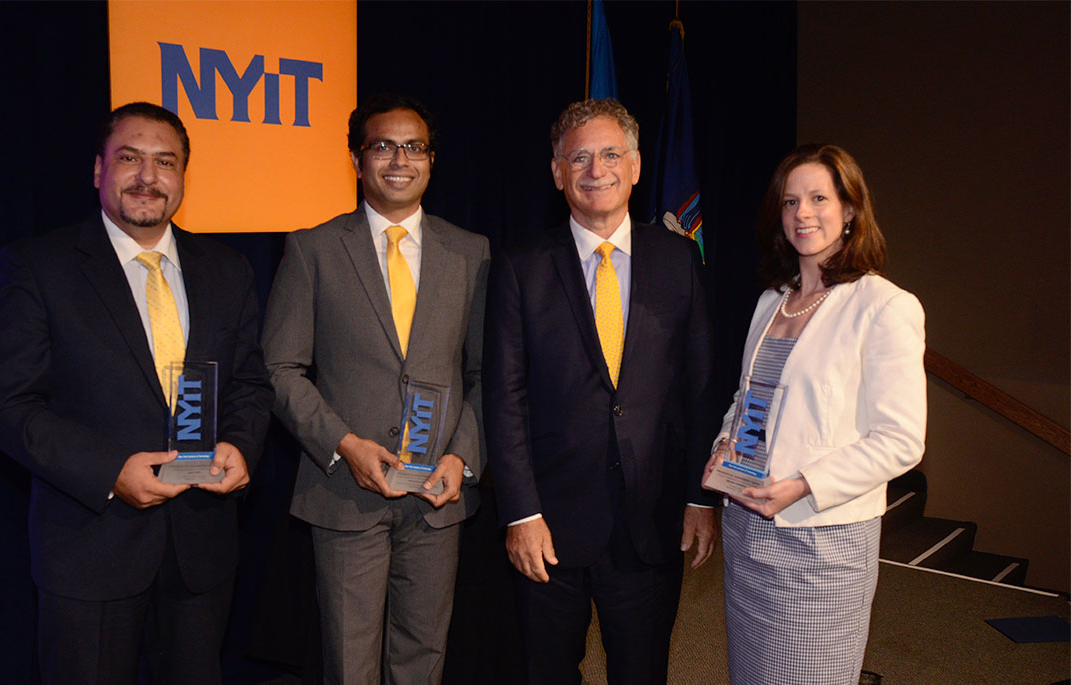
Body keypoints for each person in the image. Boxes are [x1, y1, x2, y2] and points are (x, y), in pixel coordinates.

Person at [0, 102, 273, 684]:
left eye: (166, 162)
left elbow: (250, 383)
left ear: (183, 176)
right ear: (97, 170)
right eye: (129, 158)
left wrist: (239, 444)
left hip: (201, 551)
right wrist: (110, 470)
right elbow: (2, 403)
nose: (147, 176)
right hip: (89, 548)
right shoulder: (40, 266)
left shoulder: (228, 269)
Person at [483, 98, 717, 684]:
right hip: (549, 527)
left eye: (611, 154)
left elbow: (701, 386)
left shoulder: (678, 259)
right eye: (579, 157)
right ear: (557, 172)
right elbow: (503, 398)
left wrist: (700, 497)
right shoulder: (520, 267)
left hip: (652, 519)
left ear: (636, 166)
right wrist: (521, 513)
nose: (596, 170)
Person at [262, 93, 489, 684]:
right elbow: (280, 369)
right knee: (349, 662)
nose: (399, 159)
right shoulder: (313, 249)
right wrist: (344, 443)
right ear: (357, 160)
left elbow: (486, 374)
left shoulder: (471, 252)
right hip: (345, 491)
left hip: (437, 494)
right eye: (382, 146)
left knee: (424, 657)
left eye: (413, 147)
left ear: (432, 161)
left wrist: (460, 457)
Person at [703, 143, 926, 684]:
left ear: (850, 210)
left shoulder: (884, 305)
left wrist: (803, 483)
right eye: (790, 201)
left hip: (821, 545)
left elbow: (901, 440)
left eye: (819, 198)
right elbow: (749, 401)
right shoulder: (770, 301)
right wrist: (725, 446)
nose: (802, 213)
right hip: (748, 527)